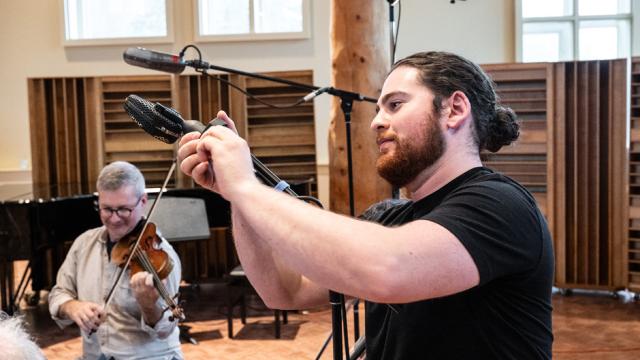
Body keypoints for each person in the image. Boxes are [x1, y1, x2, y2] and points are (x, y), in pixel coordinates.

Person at [177, 51, 554, 359]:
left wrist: (245, 185)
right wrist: (235, 195)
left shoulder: (500, 205)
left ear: (454, 109)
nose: (376, 121)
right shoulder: (389, 216)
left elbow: (388, 270)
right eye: (378, 108)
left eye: (395, 105)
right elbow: (284, 291)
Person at [48, 161, 183, 360]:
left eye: (123, 209)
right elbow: (59, 293)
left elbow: (166, 329)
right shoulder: (84, 243)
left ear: (143, 201)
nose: (114, 218)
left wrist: (148, 306)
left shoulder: (162, 256)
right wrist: (72, 306)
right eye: (106, 209)